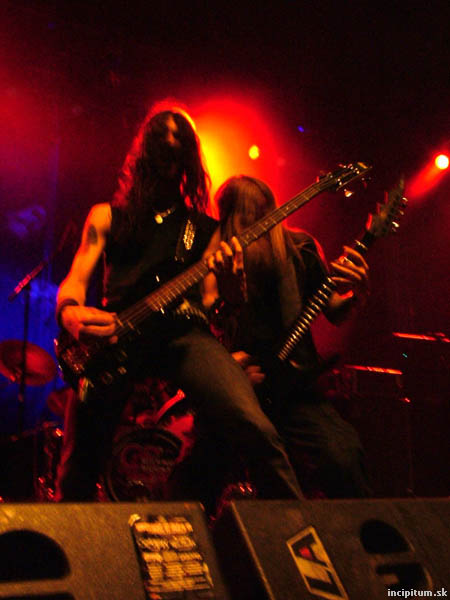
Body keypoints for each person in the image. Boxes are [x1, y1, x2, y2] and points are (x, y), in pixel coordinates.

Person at [54, 106, 303, 502]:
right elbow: (75, 279)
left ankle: (298, 523)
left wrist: (231, 284)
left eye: (179, 139)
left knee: (252, 423)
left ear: (189, 157)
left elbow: (215, 303)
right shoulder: (106, 216)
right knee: (78, 460)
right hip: (117, 337)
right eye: (160, 137)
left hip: (183, 335)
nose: (170, 144)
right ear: (143, 150)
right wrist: (70, 311)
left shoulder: (204, 230)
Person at [206, 175, 372, 499]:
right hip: (236, 388)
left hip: (295, 387)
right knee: (202, 473)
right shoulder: (215, 258)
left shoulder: (300, 248)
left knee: (344, 456)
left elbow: (334, 309)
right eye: (244, 213)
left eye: (260, 211)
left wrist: (358, 293)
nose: (253, 221)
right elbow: (203, 321)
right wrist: (228, 367)